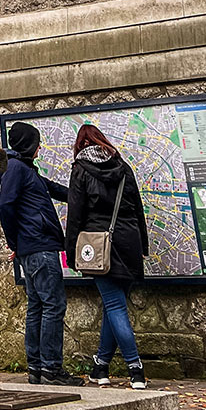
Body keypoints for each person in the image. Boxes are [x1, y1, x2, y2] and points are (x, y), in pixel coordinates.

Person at [65, 124, 150, 390]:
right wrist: (142, 245)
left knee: (114, 306)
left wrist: (70, 252)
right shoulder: (122, 166)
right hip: (129, 241)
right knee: (114, 306)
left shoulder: (80, 170)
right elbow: (137, 207)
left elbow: (75, 214)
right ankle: (100, 367)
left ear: (81, 145)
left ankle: (135, 369)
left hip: (100, 245)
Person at [0, 121, 83, 386]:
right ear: (29, 145)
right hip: (39, 248)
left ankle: (37, 369)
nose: (40, 147)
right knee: (53, 307)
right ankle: (51, 370)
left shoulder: (24, 169)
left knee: (37, 307)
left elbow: (56, 189)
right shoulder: (15, 168)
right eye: (37, 143)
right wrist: (14, 242)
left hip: (34, 248)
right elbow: (5, 206)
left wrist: (86, 193)